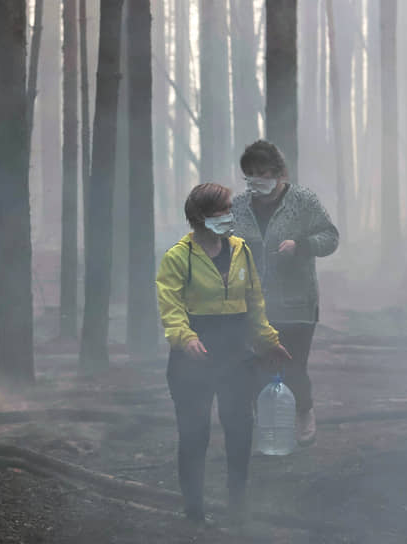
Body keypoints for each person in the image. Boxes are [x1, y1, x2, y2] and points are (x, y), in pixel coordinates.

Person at [156, 183, 291, 523]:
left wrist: (268, 339)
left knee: (239, 428)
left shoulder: (241, 250)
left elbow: (254, 303)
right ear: (201, 217)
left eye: (231, 210)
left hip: (235, 355)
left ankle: (237, 507)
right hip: (193, 359)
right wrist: (185, 338)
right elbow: (170, 308)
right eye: (223, 211)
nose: (230, 217)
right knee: (194, 433)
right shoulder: (178, 257)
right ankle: (194, 513)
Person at [232, 140, 340, 447]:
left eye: (262, 173)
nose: (256, 180)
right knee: (256, 369)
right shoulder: (238, 206)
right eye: (249, 174)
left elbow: (330, 237)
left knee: (292, 367)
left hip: (296, 303)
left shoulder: (302, 201)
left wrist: (302, 246)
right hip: (253, 304)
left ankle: (303, 413)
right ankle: (266, 428)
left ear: (279, 173)